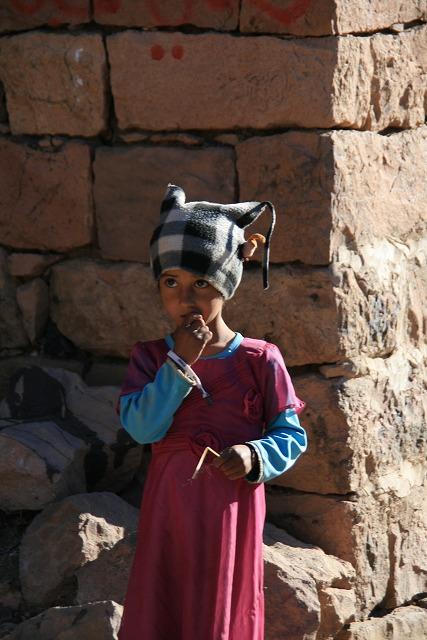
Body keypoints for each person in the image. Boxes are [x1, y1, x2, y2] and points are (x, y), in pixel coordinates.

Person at [117, 184, 307, 640]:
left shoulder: (260, 360)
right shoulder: (150, 358)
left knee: (221, 608)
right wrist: (180, 363)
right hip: (170, 512)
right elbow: (142, 428)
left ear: (226, 283)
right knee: (164, 604)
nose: (185, 298)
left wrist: (255, 454)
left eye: (201, 283)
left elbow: (291, 434)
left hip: (230, 512)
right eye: (171, 283)